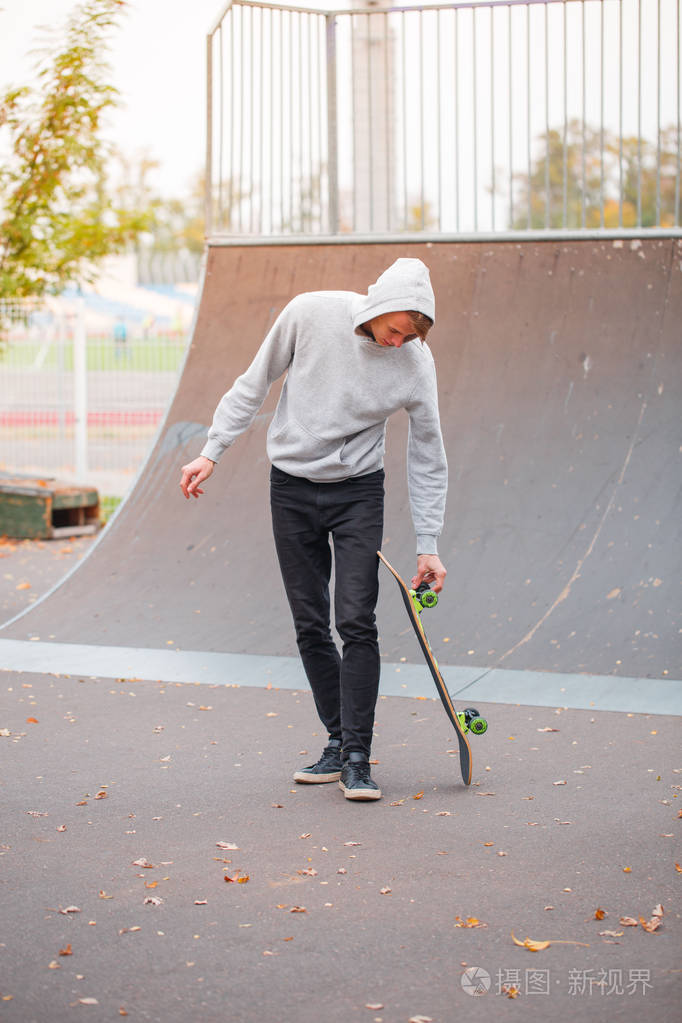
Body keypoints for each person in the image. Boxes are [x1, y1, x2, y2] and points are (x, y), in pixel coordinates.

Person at [179, 257, 448, 802]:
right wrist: (213, 450)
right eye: (395, 330)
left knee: (356, 619)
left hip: (357, 493)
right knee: (309, 622)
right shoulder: (309, 313)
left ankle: (356, 758)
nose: (399, 344)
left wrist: (429, 544)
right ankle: (336, 738)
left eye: (410, 337)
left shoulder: (416, 363)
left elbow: (427, 452)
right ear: (377, 306)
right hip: (293, 488)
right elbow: (253, 383)